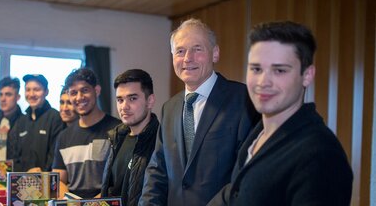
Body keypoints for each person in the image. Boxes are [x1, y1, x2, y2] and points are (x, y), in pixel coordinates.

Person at [208, 21, 353, 205]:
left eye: (279, 70)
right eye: (256, 69)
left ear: (307, 75)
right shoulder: (258, 133)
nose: (263, 81)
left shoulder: (320, 155)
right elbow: (234, 194)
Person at [139, 18, 259, 206]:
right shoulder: (169, 108)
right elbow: (158, 170)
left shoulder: (244, 100)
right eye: (180, 51)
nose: (188, 58)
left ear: (215, 53)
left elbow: (247, 173)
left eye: (197, 49)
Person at [52, 68, 121, 198]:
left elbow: (121, 180)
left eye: (84, 90)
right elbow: (59, 180)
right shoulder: (63, 137)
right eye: (73, 92)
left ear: (97, 90)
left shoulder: (118, 130)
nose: (79, 97)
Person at [100, 69, 160, 206]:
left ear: (150, 101)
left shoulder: (162, 142)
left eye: (132, 98)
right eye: (120, 100)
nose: (124, 107)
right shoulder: (116, 138)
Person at [11, 74, 65, 172]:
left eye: (36, 89)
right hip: (23, 182)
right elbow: (15, 156)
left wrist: (41, 175)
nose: (31, 94)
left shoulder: (55, 118)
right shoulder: (20, 121)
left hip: (46, 182)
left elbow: (55, 155)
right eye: (28, 90)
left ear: (46, 92)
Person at [0, 76, 23, 160]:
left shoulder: (24, 122)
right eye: (1, 94)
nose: (3, 99)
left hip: (15, 171)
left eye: (8, 94)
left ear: (17, 97)